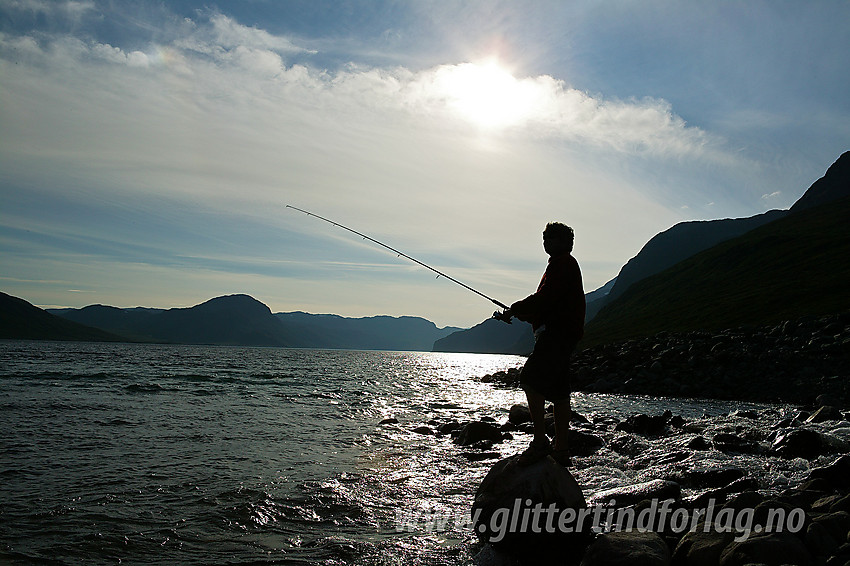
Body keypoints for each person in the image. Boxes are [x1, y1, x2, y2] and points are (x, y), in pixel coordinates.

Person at [498, 222, 585, 466]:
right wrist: (518, 313)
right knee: (559, 393)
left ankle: (540, 442)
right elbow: (548, 306)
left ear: (563, 242)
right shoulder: (563, 265)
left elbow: (545, 299)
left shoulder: (563, 264)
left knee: (529, 379)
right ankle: (562, 449)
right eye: (544, 237)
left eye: (549, 237)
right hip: (563, 334)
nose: (545, 241)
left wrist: (515, 308)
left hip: (557, 335)